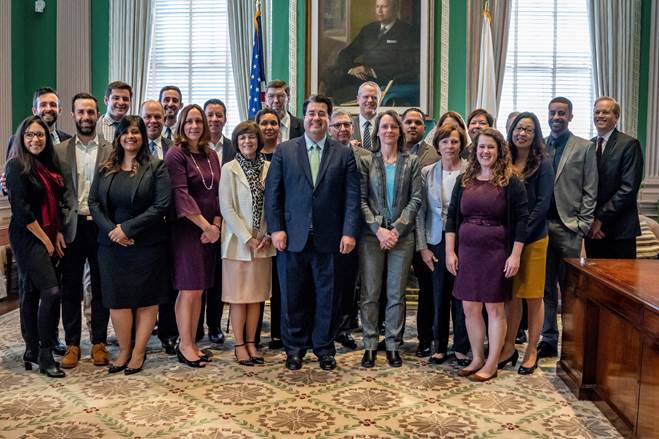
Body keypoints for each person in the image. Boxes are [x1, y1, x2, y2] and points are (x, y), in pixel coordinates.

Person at [265, 95, 361, 371]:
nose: (316, 118)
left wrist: (349, 232)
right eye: (311, 113)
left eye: (321, 113)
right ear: (304, 117)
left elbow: (351, 196)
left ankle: (324, 348)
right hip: (291, 238)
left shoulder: (343, 153)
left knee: (327, 297)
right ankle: (294, 349)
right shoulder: (285, 150)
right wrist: (276, 229)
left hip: (329, 239)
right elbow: (273, 194)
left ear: (328, 119)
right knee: (292, 297)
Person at [89, 116, 171, 375]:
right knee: (117, 300)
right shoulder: (105, 167)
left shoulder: (156, 166)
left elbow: (161, 205)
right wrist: (113, 231)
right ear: (119, 136)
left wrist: (127, 229)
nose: (130, 136)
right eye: (126, 132)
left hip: (147, 244)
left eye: (136, 132)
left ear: (143, 136)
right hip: (111, 245)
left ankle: (139, 352)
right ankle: (124, 350)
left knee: (147, 300)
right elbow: (93, 203)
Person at [445, 127, 528, 382]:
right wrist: (450, 252)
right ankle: (477, 358)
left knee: (494, 308)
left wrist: (515, 255)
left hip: (496, 252)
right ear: (475, 150)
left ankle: (492, 363)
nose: (485, 151)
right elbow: (452, 217)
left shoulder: (510, 180)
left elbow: (522, 220)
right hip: (467, 252)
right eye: (481, 146)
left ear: (500, 150)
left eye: (491, 147)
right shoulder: (464, 179)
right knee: (470, 307)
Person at [359, 110, 421, 368]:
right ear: (377, 132)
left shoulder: (412, 162)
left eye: (393, 127)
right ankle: (370, 344)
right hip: (372, 237)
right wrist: (378, 229)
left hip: (401, 238)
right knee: (370, 292)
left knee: (396, 293)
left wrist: (396, 229)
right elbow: (361, 200)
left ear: (400, 131)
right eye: (384, 127)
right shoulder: (367, 161)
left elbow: (415, 199)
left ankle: (393, 344)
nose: (389, 131)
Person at [56, 93, 113, 369]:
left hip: (100, 227)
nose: (86, 117)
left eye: (90, 112)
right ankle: (72, 344)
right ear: (73, 115)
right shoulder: (60, 151)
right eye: (81, 112)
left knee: (101, 285)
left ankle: (99, 342)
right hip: (72, 227)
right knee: (70, 287)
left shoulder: (111, 150)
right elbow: (54, 193)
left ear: (97, 115)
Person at [6, 116, 66, 378]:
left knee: (31, 292)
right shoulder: (16, 165)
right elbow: (22, 211)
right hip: (27, 235)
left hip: (48, 232)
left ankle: (31, 348)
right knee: (51, 291)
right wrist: (46, 241)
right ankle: (44, 352)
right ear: (22, 138)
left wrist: (57, 233)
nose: (35, 139)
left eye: (40, 135)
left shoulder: (47, 165)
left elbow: (56, 204)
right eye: (29, 135)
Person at [538, 97, 598, 359]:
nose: (556, 117)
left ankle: (572, 344)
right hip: (541, 228)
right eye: (553, 112)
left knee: (570, 289)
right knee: (546, 288)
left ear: (570, 116)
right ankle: (549, 339)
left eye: (562, 113)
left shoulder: (584, 147)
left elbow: (590, 188)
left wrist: (583, 224)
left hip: (569, 227)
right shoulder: (540, 146)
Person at [164, 104, 222, 368]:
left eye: (198, 121)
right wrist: (205, 227)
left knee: (199, 290)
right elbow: (180, 195)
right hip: (187, 231)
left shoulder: (211, 154)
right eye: (189, 121)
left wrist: (216, 225)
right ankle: (185, 344)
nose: (194, 126)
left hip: (210, 232)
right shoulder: (176, 154)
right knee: (188, 290)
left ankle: (192, 343)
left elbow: (218, 192)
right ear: (181, 124)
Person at [499, 112, 553, 375]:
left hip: (534, 238)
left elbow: (543, 204)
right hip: (505, 239)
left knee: (533, 296)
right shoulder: (504, 161)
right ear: (511, 131)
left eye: (528, 130)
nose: (522, 133)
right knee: (511, 297)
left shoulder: (543, 163)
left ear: (535, 134)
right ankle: (509, 346)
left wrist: (522, 234)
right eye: (518, 128)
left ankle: (532, 350)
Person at [219, 121, 275, 366]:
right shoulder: (229, 169)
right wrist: (248, 238)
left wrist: (268, 235)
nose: (247, 142)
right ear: (236, 142)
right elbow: (227, 208)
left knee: (256, 297)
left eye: (251, 137)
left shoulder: (270, 167)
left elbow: (275, 203)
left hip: (263, 242)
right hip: (238, 243)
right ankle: (239, 344)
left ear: (258, 140)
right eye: (242, 138)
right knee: (238, 297)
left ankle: (252, 342)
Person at [416, 124, 469, 366]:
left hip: (464, 241)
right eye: (445, 141)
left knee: (462, 296)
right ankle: (438, 346)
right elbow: (420, 211)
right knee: (438, 294)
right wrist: (423, 247)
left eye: (455, 141)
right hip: (435, 240)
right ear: (437, 145)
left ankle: (461, 347)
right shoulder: (427, 172)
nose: (450, 146)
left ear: (461, 144)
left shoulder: (470, 170)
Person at [329, 110, 370, 350]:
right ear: (330, 129)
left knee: (349, 283)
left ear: (353, 129)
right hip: (328, 229)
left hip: (357, 228)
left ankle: (344, 328)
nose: (343, 129)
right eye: (338, 125)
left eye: (347, 125)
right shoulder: (324, 153)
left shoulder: (365, 156)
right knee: (327, 282)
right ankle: (325, 327)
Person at [402, 107, 440, 357]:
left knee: (427, 288)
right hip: (394, 232)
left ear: (424, 127)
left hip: (423, 232)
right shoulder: (389, 148)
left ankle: (426, 338)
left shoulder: (434, 154)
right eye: (409, 122)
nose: (413, 126)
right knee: (393, 288)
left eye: (418, 122)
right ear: (402, 124)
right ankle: (392, 336)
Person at [585, 96, 643, 259]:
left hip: (619, 232)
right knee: (593, 275)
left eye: (606, 112)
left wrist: (600, 218)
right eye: (597, 112)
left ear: (616, 117)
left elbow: (628, 189)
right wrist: (590, 220)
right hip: (592, 231)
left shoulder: (629, 144)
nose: (600, 116)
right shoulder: (588, 146)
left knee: (621, 276)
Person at [329, 0, 420, 104]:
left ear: (395, 9)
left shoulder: (407, 31)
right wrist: (352, 69)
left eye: (384, 7)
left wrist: (371, 70)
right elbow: (345, 54)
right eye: (377, 6)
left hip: (389, 80)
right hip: (364, 78)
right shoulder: (368, 30)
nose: (379, 11)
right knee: (334, 81)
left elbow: (406, 65)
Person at [200, 98, 236, 345]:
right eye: (210, 115)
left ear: (225, 118)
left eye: (218, 115)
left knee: (218, 277)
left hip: (227, 222)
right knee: (196, 277)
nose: (214, 119)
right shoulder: (194, 146)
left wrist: (221, 221)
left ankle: (214, 324)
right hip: (198, 222)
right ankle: (194, 326)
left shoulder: (234, 147)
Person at [255, 107, 284, 349]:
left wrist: (276, 228)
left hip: (281, 229)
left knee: (280, 284)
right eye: (264, 123)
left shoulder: (287, 154)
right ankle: (252, 334)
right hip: (255, 232)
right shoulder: (249, 155)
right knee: (255, 285)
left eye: (274, 123)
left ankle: (278, 333)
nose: (269, 127)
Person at [5, 87, 72, 160]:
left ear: (60, 110)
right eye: (43, 105)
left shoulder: (69, 140)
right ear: (34, 111)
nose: (48, 109)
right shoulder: (16, 141)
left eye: (53, 105)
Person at [351, 82, 380, 150]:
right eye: (366, 97)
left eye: (374, 97)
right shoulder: (347, 125)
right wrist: (347, 146)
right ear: (358, 100)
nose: (370, 100)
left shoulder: (386, 125)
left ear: (379, 100)